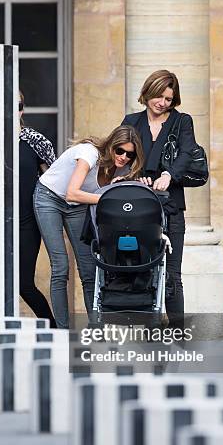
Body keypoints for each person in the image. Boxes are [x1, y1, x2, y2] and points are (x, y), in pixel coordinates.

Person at [33, 125, 144, 329]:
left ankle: (97, 329)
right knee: (60, 267)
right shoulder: (89, 154)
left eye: (130, 154)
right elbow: (72, 193)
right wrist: (107, 197)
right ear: (111, 145)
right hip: (49, 198)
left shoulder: (124, 169)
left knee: (89, 269)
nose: (123, 157)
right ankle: (62, 331)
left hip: (77, 206)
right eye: (119, 150)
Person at [121, 69, 198, 325]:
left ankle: (177, 332)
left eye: (168, 99)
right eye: (159, 96)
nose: (162, 103)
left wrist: (170, 174)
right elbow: (121, 155)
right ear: (148, 92)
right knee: (143, 270)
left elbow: (187, 153)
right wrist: (135, 176)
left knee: (172, 274)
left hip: (172, 205)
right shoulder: (131, 121)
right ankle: (149, 331)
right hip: (140, 209)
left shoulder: (181, 121)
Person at [19, 91, 56, 325]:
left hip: (26, 222)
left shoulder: (35, 141)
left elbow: (54, 179)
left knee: (24, 284)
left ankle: (54, 332)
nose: (14, 110)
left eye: (19, 105)